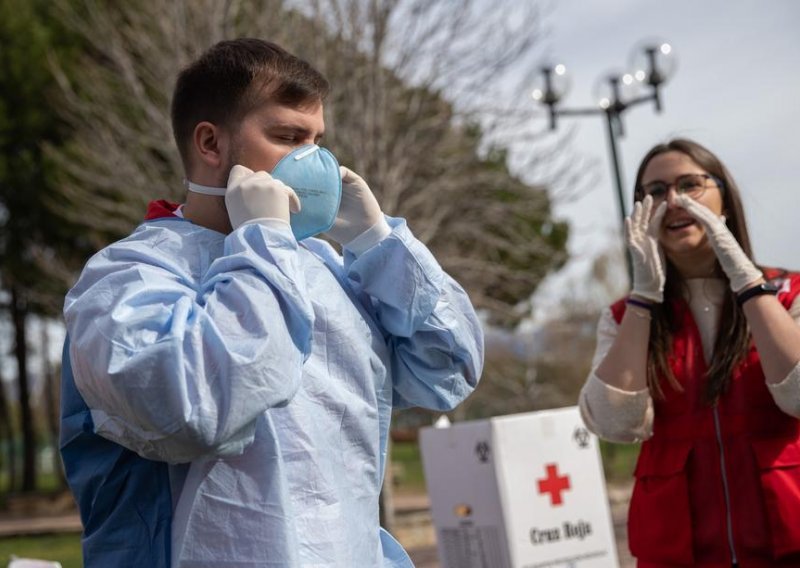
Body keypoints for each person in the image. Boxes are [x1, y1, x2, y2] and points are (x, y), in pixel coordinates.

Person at [60, 38, 483, 567]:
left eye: (319, 140)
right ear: (211, 145)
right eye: (287, 136)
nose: (315, 160)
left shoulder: (323, 266)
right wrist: (264, 239)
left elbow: (449, 371)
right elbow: (199, 409)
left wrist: (380, 245)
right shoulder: (125, 279)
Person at [579, 138, 800, 567]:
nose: (674, 201)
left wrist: (746, 280)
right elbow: (613, 423)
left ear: (725, 200)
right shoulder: (624, 316)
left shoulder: (790, 293)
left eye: (690, 185)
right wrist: (644, 297)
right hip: (680, 553)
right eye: (656, 192)